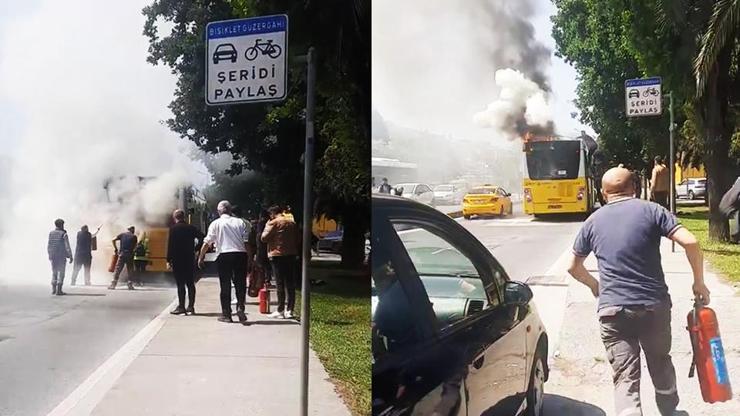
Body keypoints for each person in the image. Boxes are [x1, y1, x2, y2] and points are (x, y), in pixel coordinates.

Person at [567, 166, 711, 416]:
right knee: (660, 361)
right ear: (634, 188)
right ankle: (670, 411)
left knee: (625, 377)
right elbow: (691, 241)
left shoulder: (593, 221)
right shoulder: (652, 210)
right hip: (653, 306)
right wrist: (698, 282)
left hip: (613, 310)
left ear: (603, 193)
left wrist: (595, 286)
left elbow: (572, 267)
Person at [197, 200, 250, 323]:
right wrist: (250, 258)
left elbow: (207, 242)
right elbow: (246, 242)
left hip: (224, 256)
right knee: (240, 284)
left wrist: (201, 256)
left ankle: (227, 314)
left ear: (219, 211)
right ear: (230, 210)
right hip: (240, 255)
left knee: (225, 285)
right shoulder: (240, 222)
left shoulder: (215, 223)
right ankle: (240, 307)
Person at [261, 205, 300, 319]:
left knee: (280, 283)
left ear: (272, 214)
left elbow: (264, 238)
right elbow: (298, 238)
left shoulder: (273, 222)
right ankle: (290, 310)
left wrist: (267, 224)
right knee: (290, 283)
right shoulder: (291, 223)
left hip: (277, 255)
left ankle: (280, 309)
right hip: (291, 254)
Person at [167, 209, 204, 315]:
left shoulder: (173, 229)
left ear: (175, 218)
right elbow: (202, 237)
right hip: (189, 258)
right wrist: (197, 248)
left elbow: (170, 245)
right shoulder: (191, 228)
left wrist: (168, 260)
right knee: (190, 283)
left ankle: (181, 306)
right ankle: (191, 306)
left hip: (177, 259)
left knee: (180, 284)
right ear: (184, 217)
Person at [47, 218, 73, 295]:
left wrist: (49, 254)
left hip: (53, 255)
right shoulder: (63, 234)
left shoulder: (51, 233)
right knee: (61, 272)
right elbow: (67, 246)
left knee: (54, 272)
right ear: (61, 225)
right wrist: (70, 256)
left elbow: (49, 245)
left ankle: (53, 289)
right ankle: (59, 290)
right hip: (61, 256)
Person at [109, 226, 138, 290]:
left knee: (118, 269)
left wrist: (116, 248)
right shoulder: (134, 236)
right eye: (134, 229)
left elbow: (113, 240)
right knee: (130, 269)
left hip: (122, 254)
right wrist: (133, 251)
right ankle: (130, 285)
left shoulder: (122, 235)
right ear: (132, 230)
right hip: (130, 255)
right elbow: (136, 246)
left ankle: (113, 284)